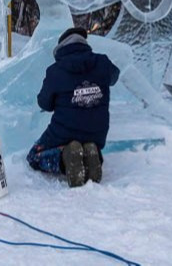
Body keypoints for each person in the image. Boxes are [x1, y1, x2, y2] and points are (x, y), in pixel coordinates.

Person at [26, 27, 120, 188]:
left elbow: (44, 104)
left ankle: (65, 157)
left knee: (34, 156)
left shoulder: (55, 71)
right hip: (97, 133)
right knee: (88, 143)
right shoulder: (102, 62)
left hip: (63, 133)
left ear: (61, 48)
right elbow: (114, 77)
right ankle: (92, 152)